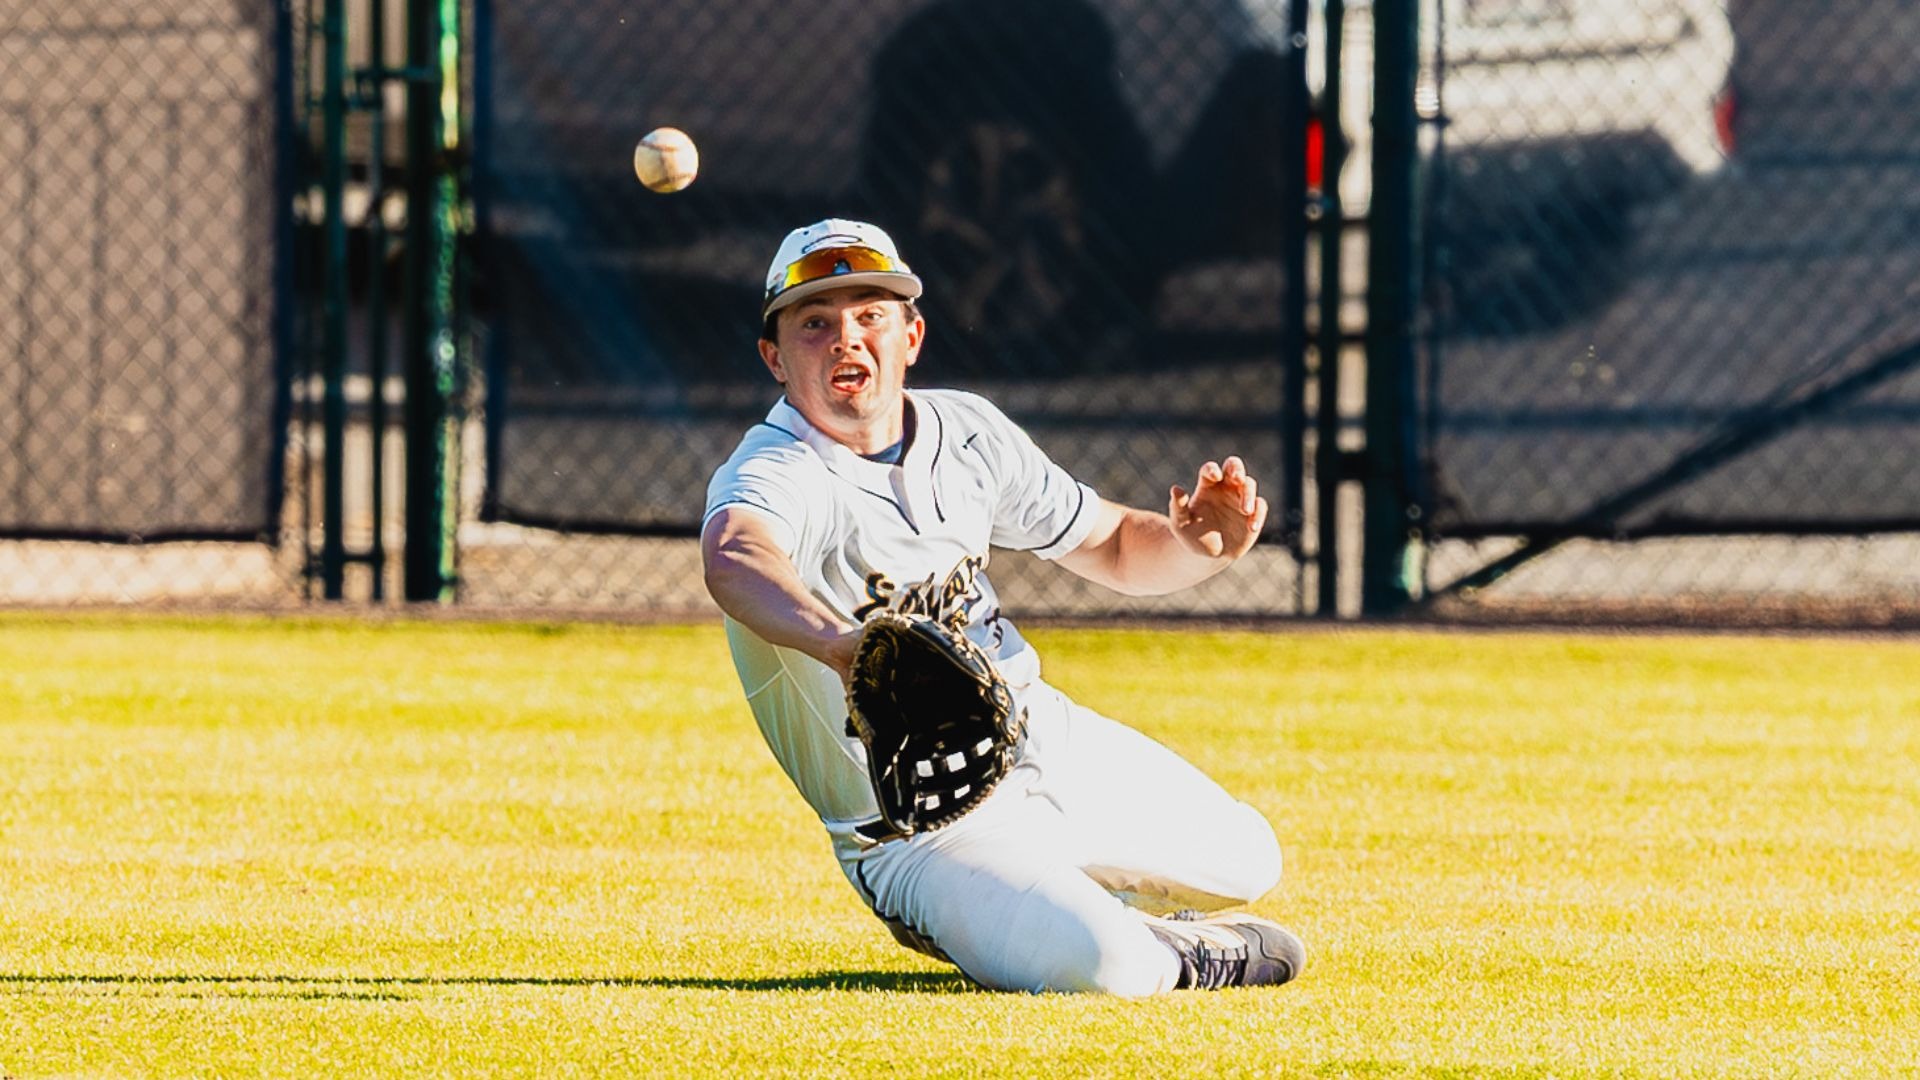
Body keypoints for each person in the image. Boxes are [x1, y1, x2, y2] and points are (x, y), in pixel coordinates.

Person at [700, 218, 1304, 995]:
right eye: (815, 323)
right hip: (920, 830)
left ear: (910, 336)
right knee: (1107, 970)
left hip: (1041, 742)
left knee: (1248, 857)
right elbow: (735, 557)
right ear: (774, 358)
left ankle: (1073, 908)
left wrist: (1196, 544)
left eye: (870, 316)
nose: (847, 340)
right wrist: (842, 646)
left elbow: (1116, 544)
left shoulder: (967, 432)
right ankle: (1154, 947)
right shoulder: (778, 470)